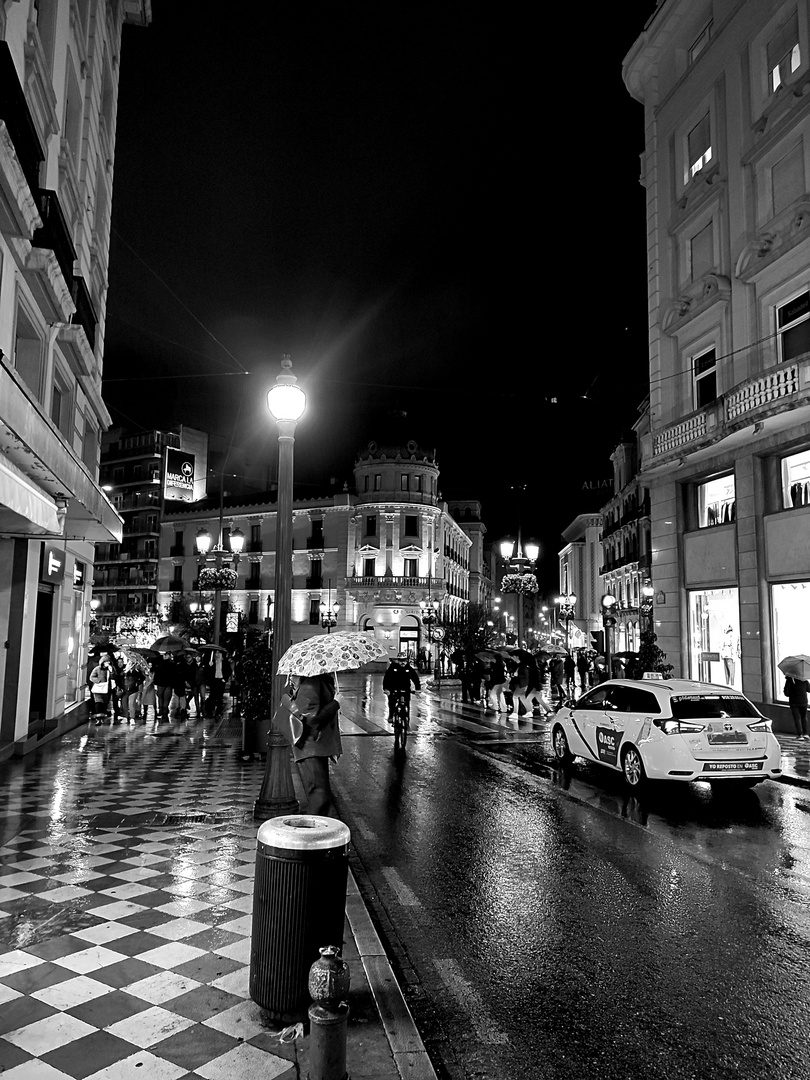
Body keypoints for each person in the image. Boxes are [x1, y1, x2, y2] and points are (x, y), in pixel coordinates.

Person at [289, 672, 342, 815]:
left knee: (321, 796)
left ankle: (323, 832)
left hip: (316, 747)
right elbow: (311, 719)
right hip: (310, 748)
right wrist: (335, 703)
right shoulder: (312, 684)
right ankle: (313, 834)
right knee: (319, 796)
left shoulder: (320, 681)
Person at [383, 656, 421, 723]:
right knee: (392, 702)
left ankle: (407, 720)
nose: (403, 662)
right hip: (393, 689)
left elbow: (415, 679)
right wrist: (386, 689)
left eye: (404, 660)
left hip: (405, 689)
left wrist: (418, 689)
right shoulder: (392, 668)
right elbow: (386, 678)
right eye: (401, 661)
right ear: (398, 661)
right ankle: (391, 715)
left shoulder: (409, 668)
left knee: (407, 704)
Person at [785, 675, 810, 740]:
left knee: (797, 718)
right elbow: (809, 689)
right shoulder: (804, 680)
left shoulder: (790, 680)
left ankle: (800, 735)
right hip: (803, 701)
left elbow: (786, 693)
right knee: (804, 717)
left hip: (794, 702)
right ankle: (806, 734)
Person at [89, 658, 112, 723]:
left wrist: (111, 671)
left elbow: (114, 677)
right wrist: (98, 681)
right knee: (98, 703)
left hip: (106, 689)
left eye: (108, 662)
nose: (108, 663)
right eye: (106, 662)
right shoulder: (97, 669)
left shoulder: (109, 669)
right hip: (98, 689)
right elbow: (91, 677)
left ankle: (102, 718)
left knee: (104, 704)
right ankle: (98, 719)